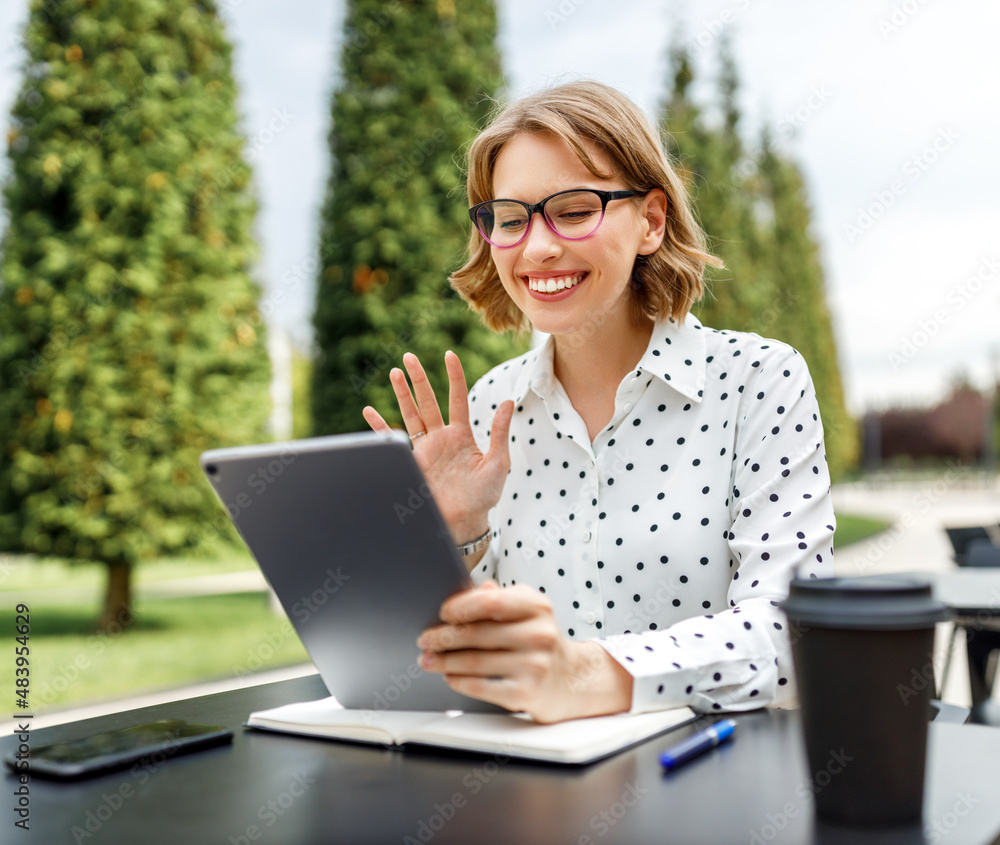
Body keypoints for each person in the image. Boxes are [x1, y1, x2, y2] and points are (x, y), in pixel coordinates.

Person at [363, 81, 835, 724]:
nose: (536, 248)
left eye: (575, 209)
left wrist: (583, 675)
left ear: (651, 221)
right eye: (509, 218)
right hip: (529, 790)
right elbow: (461, 662)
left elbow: (792, 633)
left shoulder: (758, 380)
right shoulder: (489, 405)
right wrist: (456, 537)